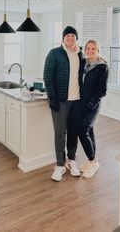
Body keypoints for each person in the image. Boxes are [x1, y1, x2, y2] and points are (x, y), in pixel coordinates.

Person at [43, 26, 84, 182]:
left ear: (76, 38)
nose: (70, 38)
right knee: (60, 133)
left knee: (73, 132)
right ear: (63, 38)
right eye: (67, 35)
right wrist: (52, 98)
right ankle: (60, 164)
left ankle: (72, 160)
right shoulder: (55, 54)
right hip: (61, 100)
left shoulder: (81, 55)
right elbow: (47, 76)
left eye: (73, 35)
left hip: (77, 100)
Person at [76, 39, 109, 178]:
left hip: (93, 105)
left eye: (93, 49)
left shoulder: (103, 67)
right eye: (87, 49)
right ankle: (92, 162)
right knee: (90, 131)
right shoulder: (84, 63)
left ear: (98, 50)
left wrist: (91, 103)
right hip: (81, 102)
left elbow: (102, 90)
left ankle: (92, 161)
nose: (90, 51)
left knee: (82, 131)